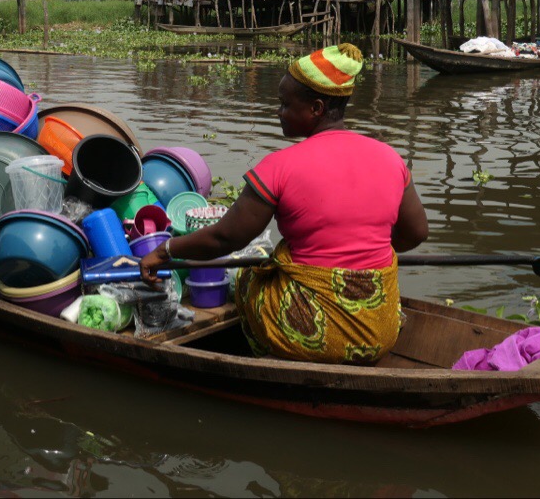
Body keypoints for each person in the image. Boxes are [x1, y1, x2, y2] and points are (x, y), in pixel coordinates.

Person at [139, 43, 428, 364]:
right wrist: (361, 248)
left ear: (316, 108)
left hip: (324, 340)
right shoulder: (390, 158)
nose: (278, 112)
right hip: (381, 329)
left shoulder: (281, 166)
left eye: (284, 104)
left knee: (251, 279)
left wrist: (163, 251)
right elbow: (415, 234)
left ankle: (269, 353)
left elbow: (225, 238)